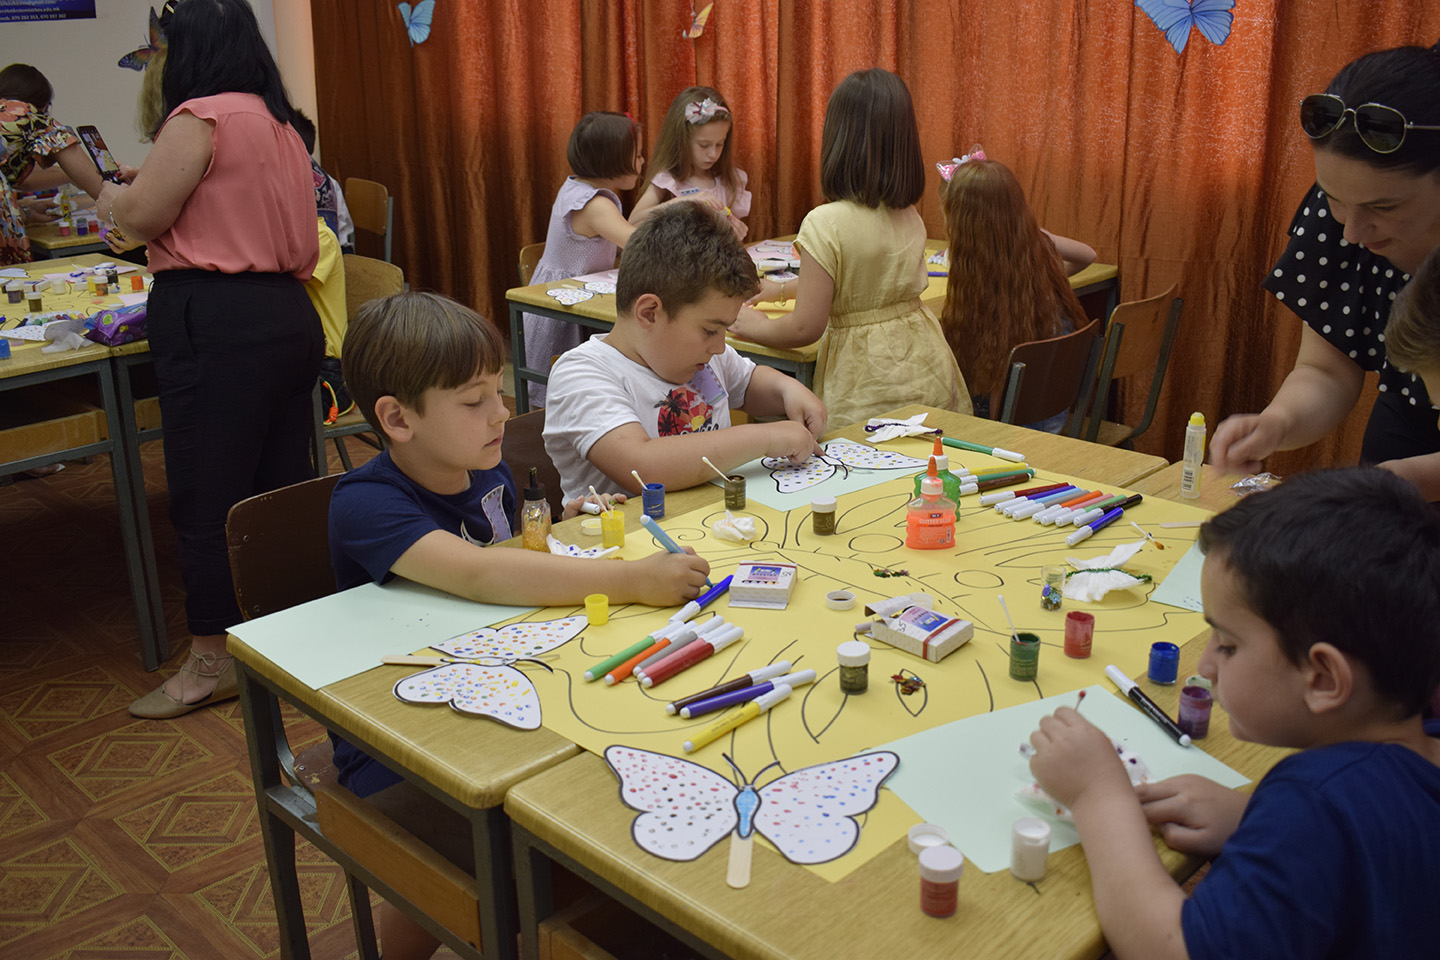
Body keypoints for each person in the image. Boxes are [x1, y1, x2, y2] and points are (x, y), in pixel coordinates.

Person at [330, 290, 709, 960]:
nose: (501, 412)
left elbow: (513, 560)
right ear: (396, 419)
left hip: (497, 684)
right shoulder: (366, 504)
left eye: (497, 392)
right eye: (474, 400)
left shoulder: (485, 471)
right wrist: (632, 581)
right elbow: (480, 574)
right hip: (399, 736)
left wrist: (568, 527)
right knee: (512, 861)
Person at [1027, 467, 1440, 959]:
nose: (1205, 666)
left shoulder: (1314, 804)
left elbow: (1170, 949)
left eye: (1227, 644)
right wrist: (1254, 821)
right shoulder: (1421, 743)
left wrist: (1098, 796)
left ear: (1325, 680)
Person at [96, 0, 325, 719]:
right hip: (287, 313)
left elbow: (140, 219)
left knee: (207, 491)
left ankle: (210, 660)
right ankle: (291, 630)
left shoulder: (198, 116)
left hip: (217, 319)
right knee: (281, 483)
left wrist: (109, 193)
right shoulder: (279, 121)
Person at [1210, 42, 1440, 498]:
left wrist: (1414, 479)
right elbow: (1327, 369)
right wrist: (1278, 423)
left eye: (1383, 207)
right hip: (1403, 442)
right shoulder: (1347, 212)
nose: (1352, 232)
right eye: (1333, 198)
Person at [729, 68, 969, 427]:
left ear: (838, 140)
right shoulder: (908, 214)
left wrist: (756, 326)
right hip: (926, 369)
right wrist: (781, 290)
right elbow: (864, 284)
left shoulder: (825, 222)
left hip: (864, 383)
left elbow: (804, 329)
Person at [542, 201, 826, 501]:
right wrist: (767, 437)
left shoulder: (704, 355)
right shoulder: (581, 375)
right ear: (649, 313)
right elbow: (644, 467)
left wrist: (787, 390)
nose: (720, 346)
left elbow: (748, 383)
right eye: (710, 330)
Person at [937, 149, 1096, 422]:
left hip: (1018, 430)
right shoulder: (1035, 243)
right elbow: (1088, 255)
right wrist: (1046, 278)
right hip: (1055, 417)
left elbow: (997, 398)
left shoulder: (986, 293)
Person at [522, 111, 644, 407]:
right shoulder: (595, 204)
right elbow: (639, 243)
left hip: (567, 297)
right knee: (570, 391)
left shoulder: (576, 188)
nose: (643, 162)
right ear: (613, 160)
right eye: (638, 155)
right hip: (564, 310)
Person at [0, 63, 108, 264]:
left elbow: (18, 180)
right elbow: (98, 185)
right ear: (43, 105)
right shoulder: (31, 117)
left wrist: (26, 212)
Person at [628, 85, 750, 239]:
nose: (713, 154)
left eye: (720, 144)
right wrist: (683, 201)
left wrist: (736, 234)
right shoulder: (669, 179)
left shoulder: (730, 180)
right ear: (682, 141)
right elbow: (633, 222)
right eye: (704, 145)